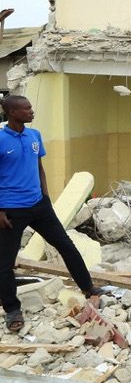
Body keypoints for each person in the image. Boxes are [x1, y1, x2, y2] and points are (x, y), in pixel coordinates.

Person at [0, 96, 101, 332]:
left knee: (66, 245)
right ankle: (13, 311)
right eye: (26, 109)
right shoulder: (1, 139)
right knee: (4, 264)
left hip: (39, 206)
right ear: (12, 113)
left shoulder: (34, 136)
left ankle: (89, 288)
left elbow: (39, 168)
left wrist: (46, 197)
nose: (31, 112)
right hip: (11, 210)